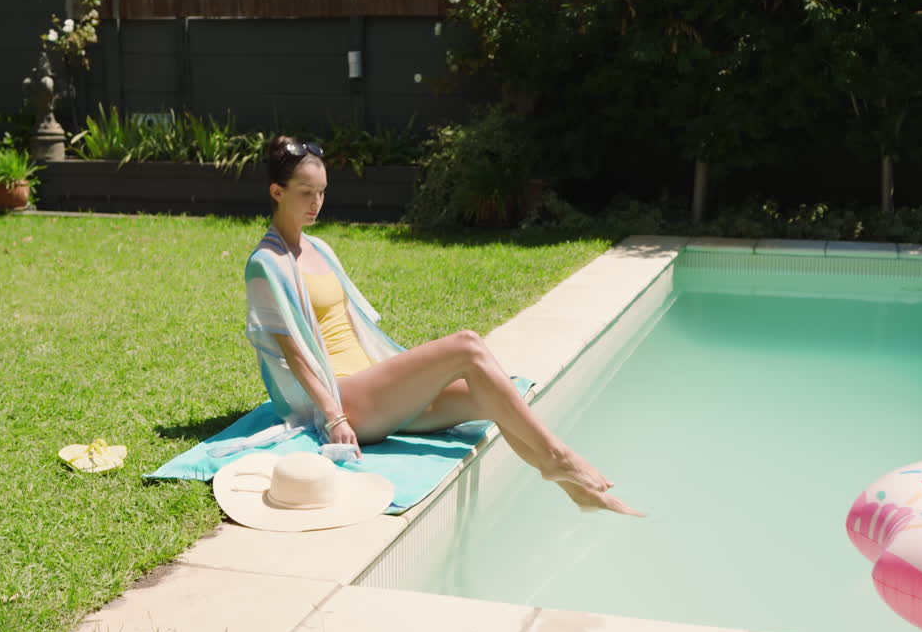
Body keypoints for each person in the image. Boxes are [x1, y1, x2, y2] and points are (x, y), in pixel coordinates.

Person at [243, 135, 642, 516]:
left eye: (322, 191)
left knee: (493, 397)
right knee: (467, 345)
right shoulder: (266, 264)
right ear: (277, 192)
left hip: (375, 390)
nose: (317, 202)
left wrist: (396, 383)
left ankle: (574, 490)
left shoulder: (319, 248)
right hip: (346, 398)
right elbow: (295, 355)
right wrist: (335, 417)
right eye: (305, 192)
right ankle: (559, 456)